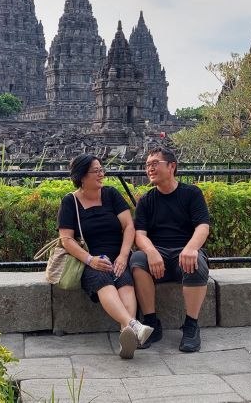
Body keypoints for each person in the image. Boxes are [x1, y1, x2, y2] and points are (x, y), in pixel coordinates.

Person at [57, 154, 153, 359]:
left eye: (102, 169)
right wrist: (90, 260)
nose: (102, 174)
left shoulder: (111, 195)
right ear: (82, 176)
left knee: (125, 281)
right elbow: (66, 239)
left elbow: (129, 226)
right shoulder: (70, 201)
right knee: (103, 281)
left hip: (118, 255)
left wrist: (123, 256)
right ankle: (133, 325)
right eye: (96, 171)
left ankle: (125, 335)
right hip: (90, 259)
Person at [130, 146, 211, 352]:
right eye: (147, 165)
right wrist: (151, 252)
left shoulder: (191, 193)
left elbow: (202, 226)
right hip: (158, 254)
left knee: (197, 263)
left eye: (155, 164)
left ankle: (191, 325)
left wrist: (192, 248)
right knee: (137, 262)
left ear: (172, 166)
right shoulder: (146, 200)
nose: (150, 169)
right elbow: (140, 234)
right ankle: (151, 322)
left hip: (184, 251)